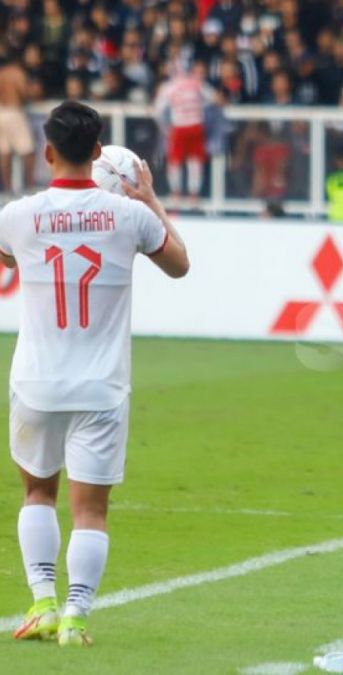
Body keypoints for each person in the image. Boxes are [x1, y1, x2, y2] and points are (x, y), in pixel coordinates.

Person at [2, 101, 190, 646]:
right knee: (91, 509)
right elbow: (180, 264)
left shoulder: (18, 215)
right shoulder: (128, 216)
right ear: (101, 151)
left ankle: (42, 603)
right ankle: (77, 618)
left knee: (38, 493)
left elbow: (9, 259)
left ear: (48, 151)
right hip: (100, 386)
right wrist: (149, 198)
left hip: (36, 381)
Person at [154, 61, 215, 203]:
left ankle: (176, 193)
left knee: (175, 161)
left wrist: (165, 128)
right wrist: (200, 108)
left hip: (180, 126)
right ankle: (194, 194)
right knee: (195, 161)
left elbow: (158, 109)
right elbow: (213, 98)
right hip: (196, 125)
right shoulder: (196, 83)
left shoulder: (169, 87)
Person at [0, 52, 35, 193]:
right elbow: (24, 94)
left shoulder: (1, 74)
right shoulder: (17, 73)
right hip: (14, 112)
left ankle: (7, 188)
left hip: (1, 112)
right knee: (28, 151)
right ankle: (30, 186)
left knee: (5, 151)